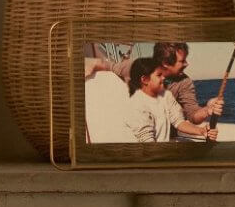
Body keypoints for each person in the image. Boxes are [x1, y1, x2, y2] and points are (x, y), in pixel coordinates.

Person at [86, 41, 224, 128]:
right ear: (165, 64)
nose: (187, 64)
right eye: (182, 61)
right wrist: (91, 64)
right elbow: (107, 65)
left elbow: (193, 115)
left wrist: (207, 110)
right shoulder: (134, 66)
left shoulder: (184, 82)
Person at [124, 57, 219, 143]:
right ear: (145, 80)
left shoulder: (166, 95)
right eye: (159, 75)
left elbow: (179, 122)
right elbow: (147, 141)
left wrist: (201, 131)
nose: (164, 77)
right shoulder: (136, 105)